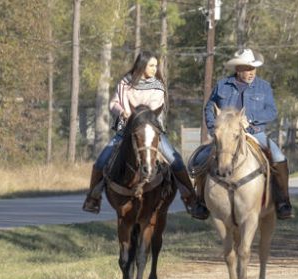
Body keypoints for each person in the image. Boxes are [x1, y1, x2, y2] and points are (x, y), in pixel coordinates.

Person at [82, 51, 208, 218]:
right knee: (100, 162)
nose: (155, 69)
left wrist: (135, 114)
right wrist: (121, 112)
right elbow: (113, 103)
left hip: (151, 131)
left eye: (156, 66)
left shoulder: (158, 86)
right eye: (151, 65)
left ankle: (191, 200)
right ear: (142, 65)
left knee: (175, 161)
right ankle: (93, 197)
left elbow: (154, 108)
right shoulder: (125, 82)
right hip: (125, 131)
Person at [189, 48, 294, 220]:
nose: (251, 72)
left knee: (278, 157)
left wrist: (250, 119)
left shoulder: (264, 87)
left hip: (254, 133)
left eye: (253, 68)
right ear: (238, 69)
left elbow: (271, 111)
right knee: (201, 159)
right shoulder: (222, 85)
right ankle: (200, 200)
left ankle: (283, 200)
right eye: (247, 68)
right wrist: (214, 127)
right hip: (226, 135)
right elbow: (209, 107)